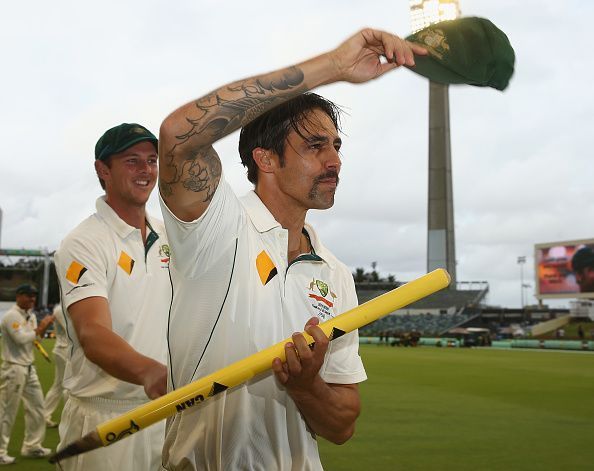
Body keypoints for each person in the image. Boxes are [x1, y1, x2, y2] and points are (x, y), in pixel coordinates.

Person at [158, 28, 427, 470]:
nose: (335, 160)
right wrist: (334, 67)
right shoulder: (215, 226)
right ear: (265, 159)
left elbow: (341, 425)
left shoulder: (335, 273)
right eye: (315, 146)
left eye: (337, 146)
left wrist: (306, 386)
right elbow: (178, 135)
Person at [54, 123, 172, 470]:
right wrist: (150, 372)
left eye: (151, 161)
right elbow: (93, 334)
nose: (146, 170)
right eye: (132, 161)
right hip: (105, 420)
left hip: (165, 413)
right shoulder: (84, 242)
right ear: (103, 169)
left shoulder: (168, 237)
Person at [0, 284, 54, 465]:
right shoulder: (11, 316)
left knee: (38, 408)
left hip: (29, 368)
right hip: (13, 368)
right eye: (28, 296)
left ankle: (32, 446)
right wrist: (40, 328)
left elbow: (35, 340)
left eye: (34, 296)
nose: (32, 299)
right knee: (7, 411)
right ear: (18, 296)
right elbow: (21, 339)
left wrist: (41, 330)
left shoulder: (30, 317)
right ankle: (0, 452)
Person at [43, 302, 68, 428]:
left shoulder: (61, 307)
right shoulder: (60, 308)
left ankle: (44, 415)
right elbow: (70, 330)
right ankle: (68, 419)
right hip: (63, 350)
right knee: (66, 386)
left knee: (59, 385)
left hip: (63, 349)